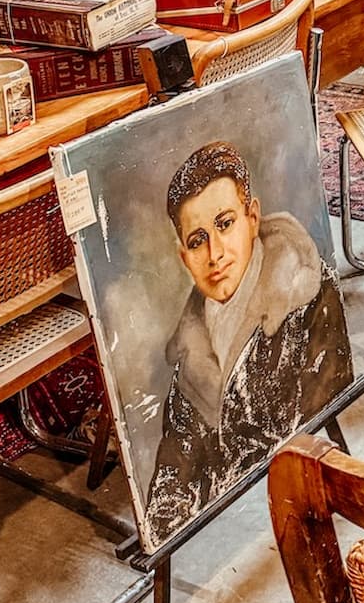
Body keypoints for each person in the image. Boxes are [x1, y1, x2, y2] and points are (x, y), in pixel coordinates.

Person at [144, 141, 352, 543]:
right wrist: (166, 520)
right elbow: (178, 452)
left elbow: (315, 406)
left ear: (252, 218)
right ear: (184, 257)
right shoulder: (190, 346)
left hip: (291, 498)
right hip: (232, 520)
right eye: (197, 240)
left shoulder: (308, 297)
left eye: (225, 224)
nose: (215, 254)